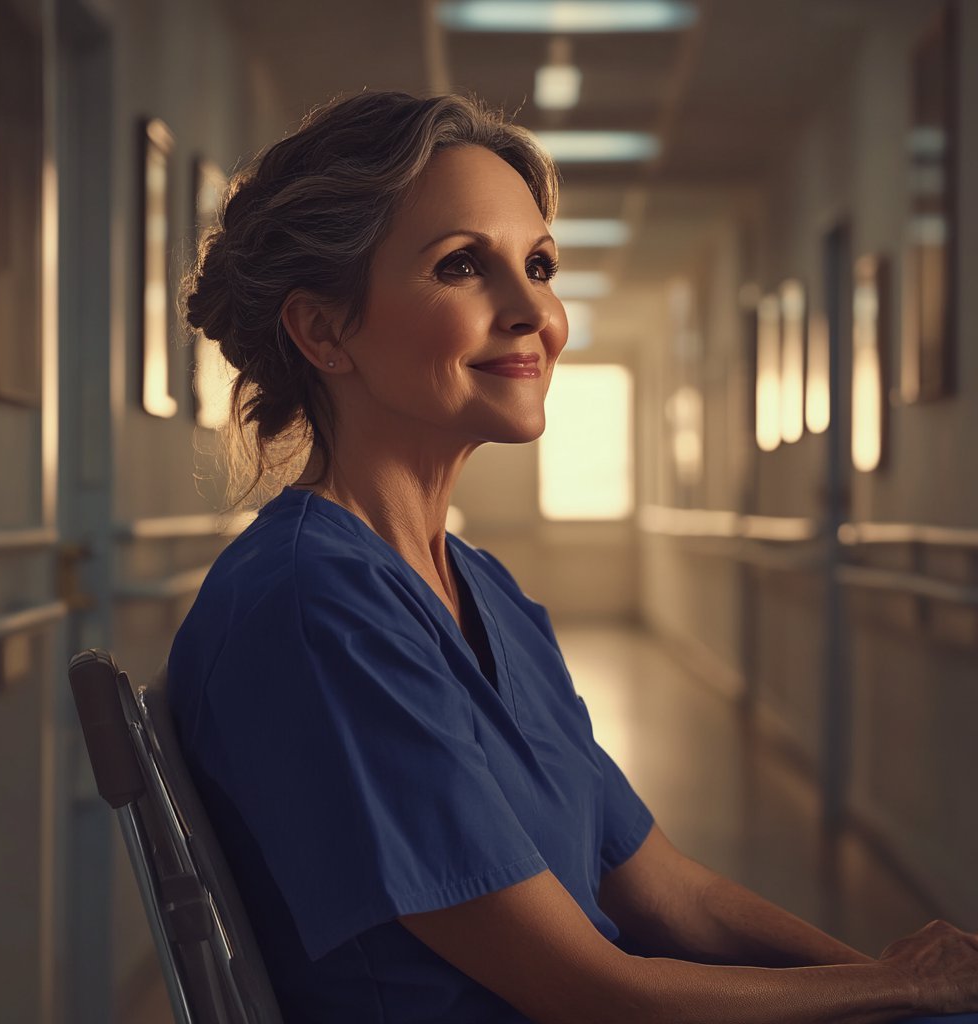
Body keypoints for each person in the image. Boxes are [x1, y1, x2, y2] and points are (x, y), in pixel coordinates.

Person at [168, 90, 978, 1024]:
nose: (533, 313)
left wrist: (914, 999)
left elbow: (674, 894)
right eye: (463, 265)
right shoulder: (316, 606)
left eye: (540, 265)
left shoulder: (481, 589)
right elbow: (593, 992)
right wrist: (902, 989)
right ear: (323, 330)